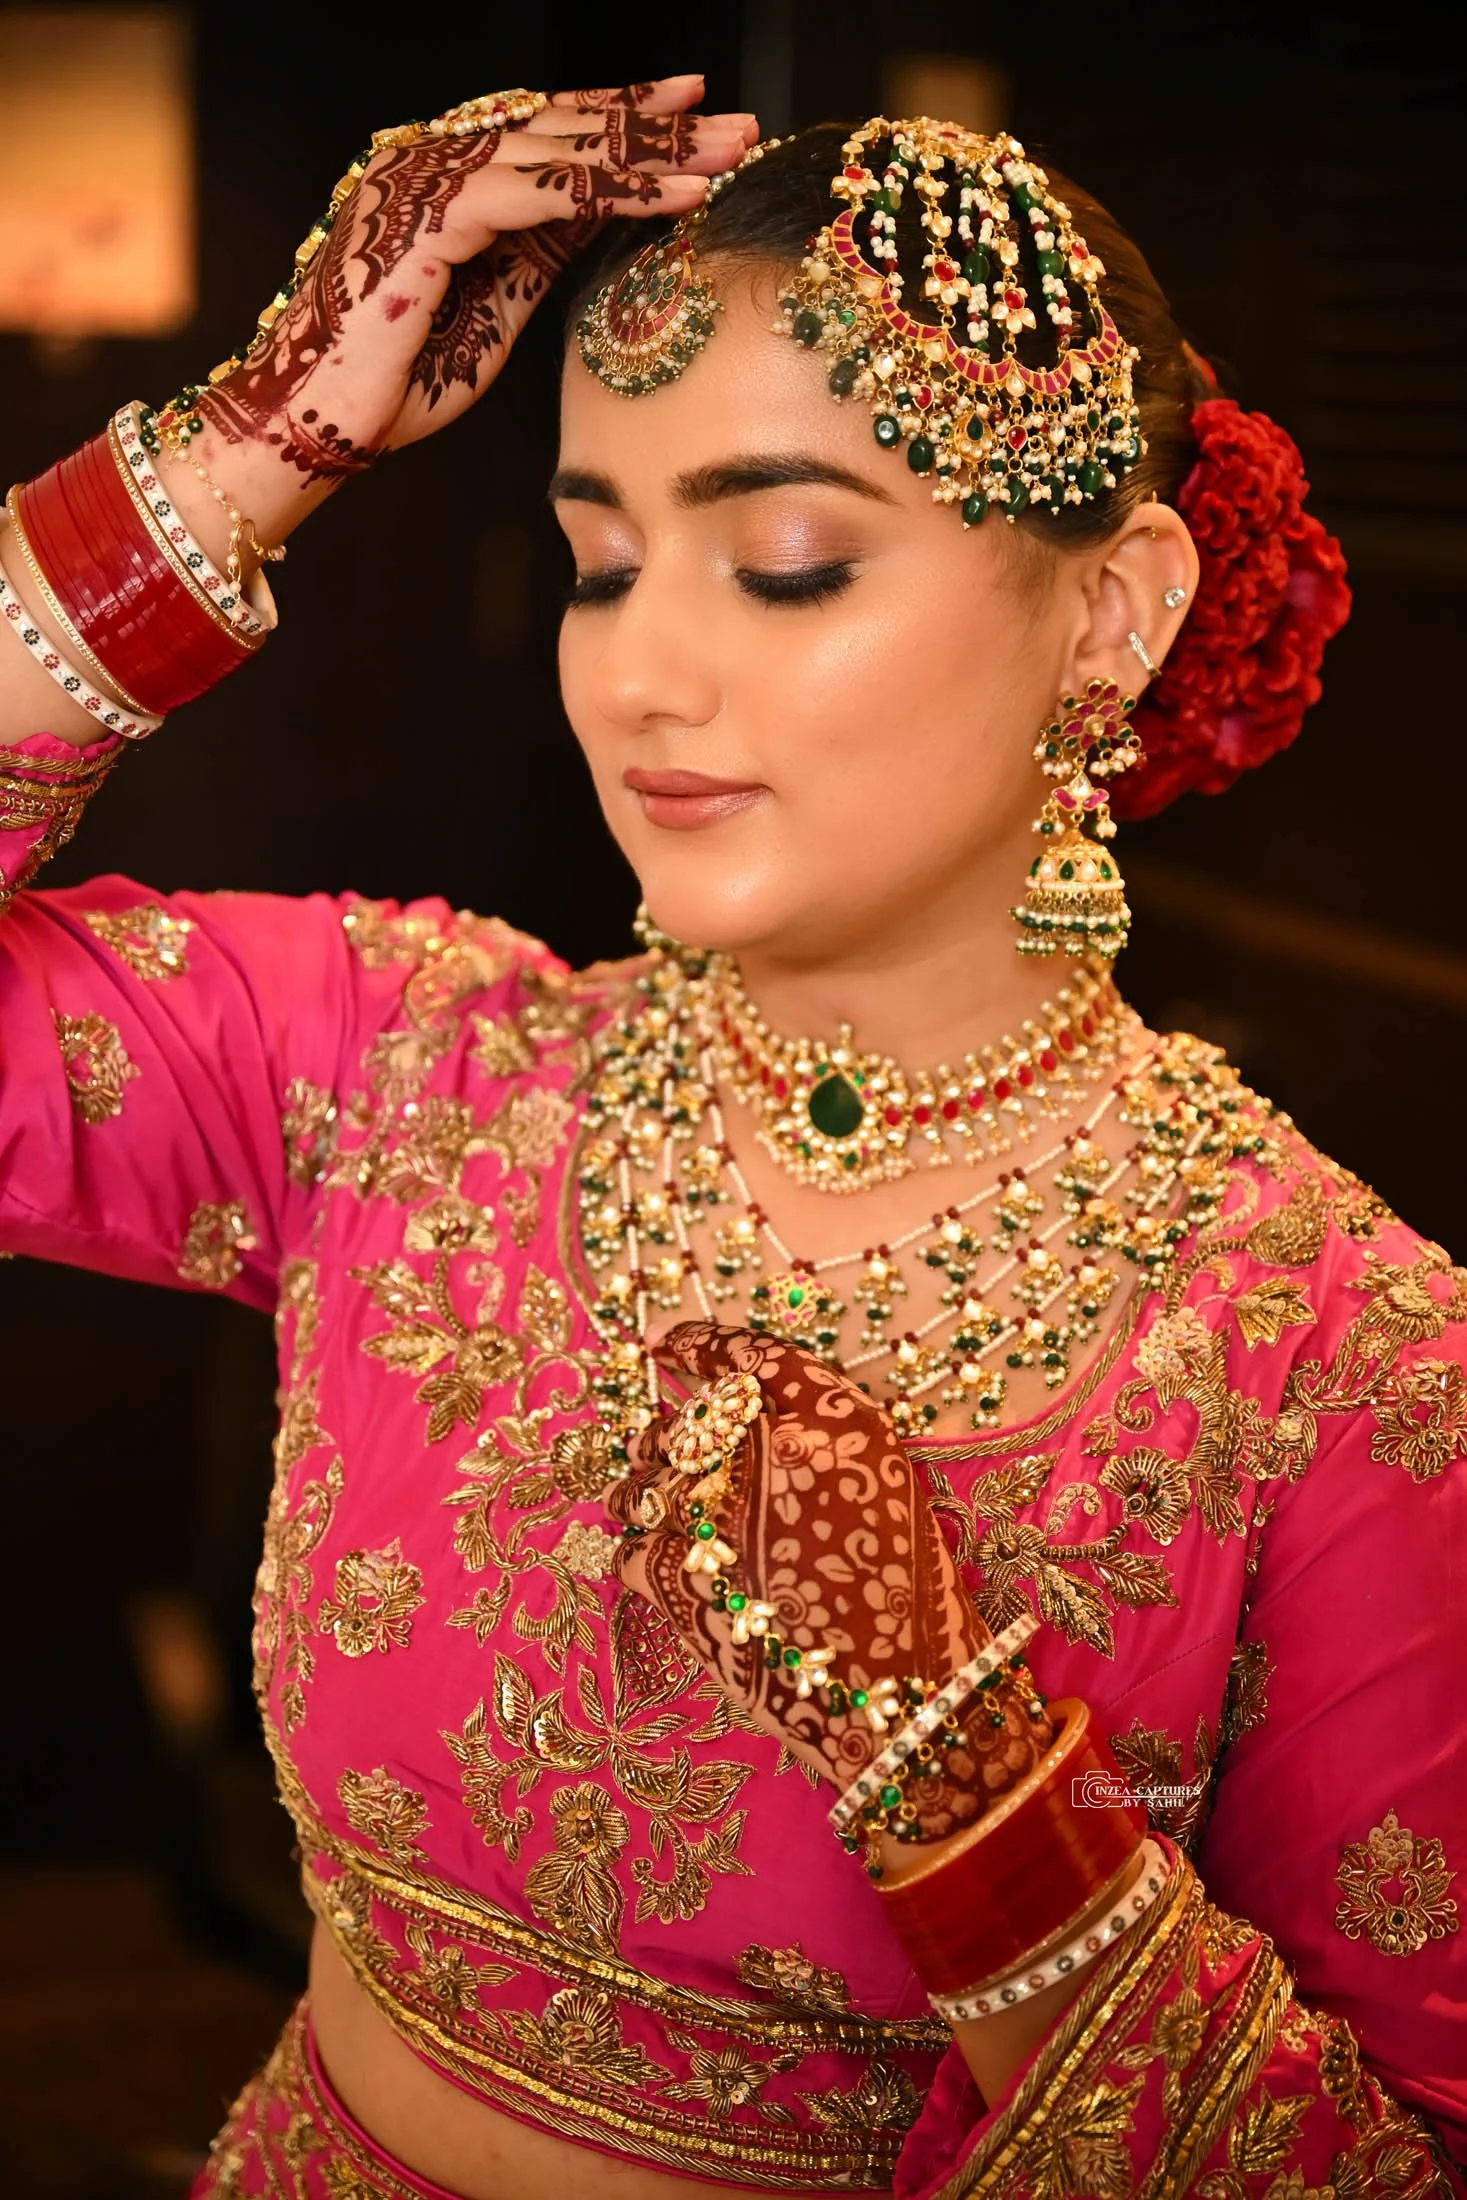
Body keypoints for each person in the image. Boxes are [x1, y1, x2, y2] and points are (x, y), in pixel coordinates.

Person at [0, 74, 1462, 2200]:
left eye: (781, 564)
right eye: (603, 564)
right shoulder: (403, 1066)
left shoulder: (1336, 1349)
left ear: (1112, 613)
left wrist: (973, 1793)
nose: (642, 675)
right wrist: (255, 445)